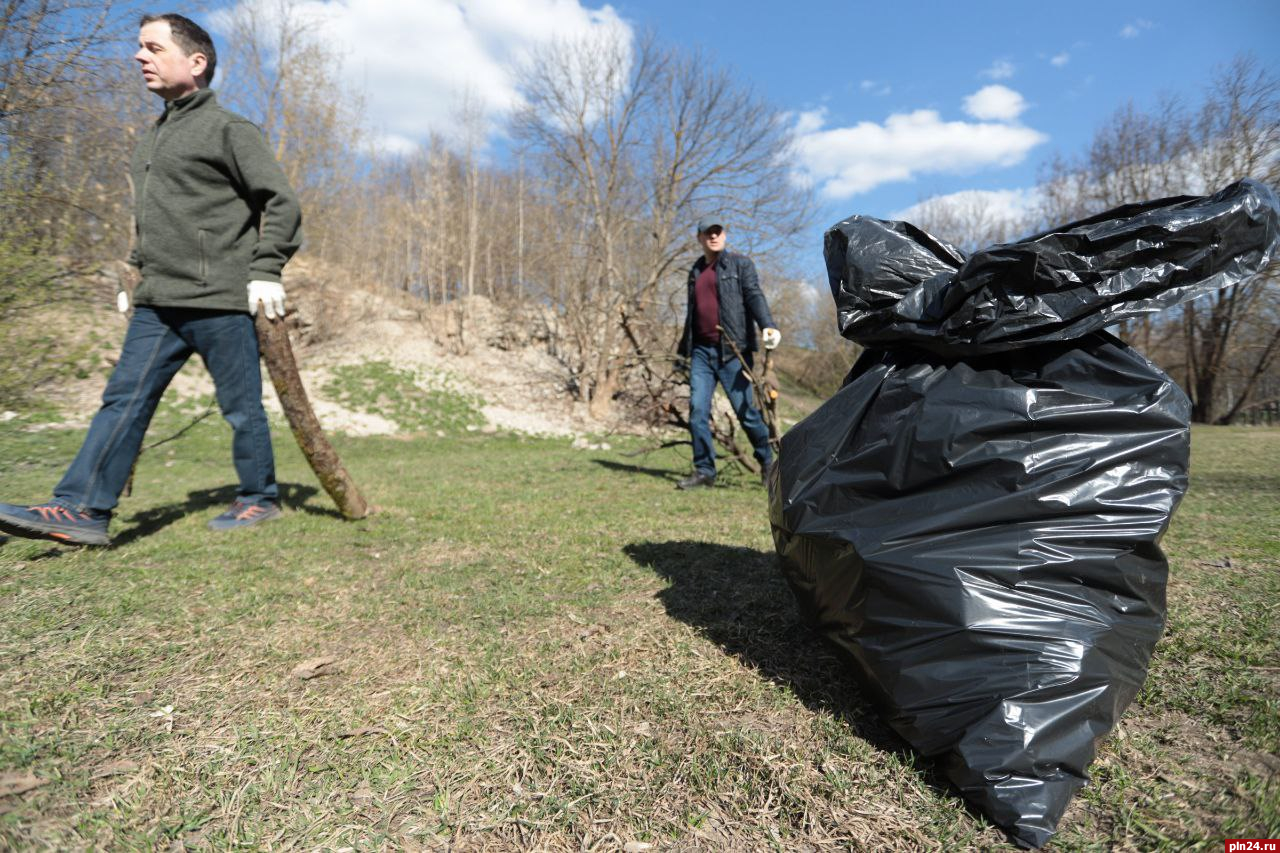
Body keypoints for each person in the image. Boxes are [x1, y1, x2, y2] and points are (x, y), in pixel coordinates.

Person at [0, 13, 302, 546]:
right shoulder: (152, 139)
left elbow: (279, 201)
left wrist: (265, 269)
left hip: (221, 298)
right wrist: (134, 270)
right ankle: (82, 509)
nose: (139, 57)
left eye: (152, 48)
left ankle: (259, 498)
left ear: (196, 62)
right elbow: (155, 217)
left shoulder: (230, 129)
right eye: (139, 48)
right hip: (158, 300)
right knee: (123, 400)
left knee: (240, 407)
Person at [675, 217, 781, 490]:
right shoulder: (696, 271)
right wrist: (681, 352)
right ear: (699, 237)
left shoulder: (739, 265)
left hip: (733, 351)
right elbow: (691, 315)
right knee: (697, 410)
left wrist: (768, 325)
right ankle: (705, 470)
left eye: (718, 232)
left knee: (746, 412)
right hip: (701, 351)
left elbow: (754, 295)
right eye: (708, 233)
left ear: (724, 235)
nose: (713, 237)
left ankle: (768, 464)